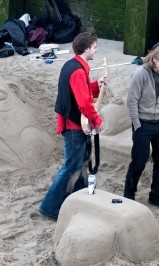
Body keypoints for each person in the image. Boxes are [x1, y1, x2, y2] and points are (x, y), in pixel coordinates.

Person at [39, 32, 106, 220]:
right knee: (71, 167)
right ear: (86, 49)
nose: (96, 49)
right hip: (74, 125)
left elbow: (82, 91)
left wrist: (96, 85)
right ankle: (50, 208)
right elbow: (84, 102)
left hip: (73, 122)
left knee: (81, 163)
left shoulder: (73, 65)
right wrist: (97, 120)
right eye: (94, 46)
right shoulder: (77, 71)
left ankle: (80, 198)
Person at [124, 44, 159, 210]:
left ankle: (157, 197)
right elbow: (132, 100)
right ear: (154, 59)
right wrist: (137, 124)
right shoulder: (140, 74)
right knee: (139, 161)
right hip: (143, 124)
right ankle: (129, 195)